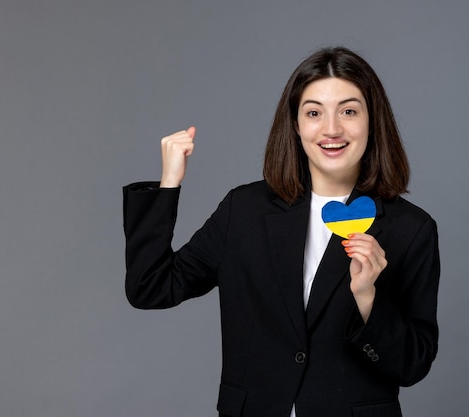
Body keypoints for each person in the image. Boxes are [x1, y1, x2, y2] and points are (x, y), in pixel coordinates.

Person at [122, 46, 439, 417]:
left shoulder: (412, 229)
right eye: (314, 113)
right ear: (295, 124)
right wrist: (168, 184)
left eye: (349, 111)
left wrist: (368, 298)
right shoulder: (244, 211)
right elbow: (150, 287)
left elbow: (413, 365)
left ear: (372, 121)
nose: (332, 129)